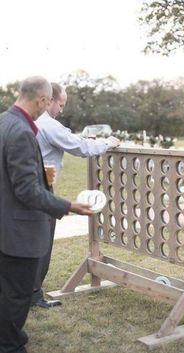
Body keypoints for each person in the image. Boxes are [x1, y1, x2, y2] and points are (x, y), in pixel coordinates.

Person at [0, 76, 93, 353]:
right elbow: (27, 189)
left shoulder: (4, 120)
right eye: (49, 102)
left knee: (6, 291)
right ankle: (9, 344)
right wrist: (68, 206)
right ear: (42, 100)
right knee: (16, 294)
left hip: (6, 224)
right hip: (17, 231)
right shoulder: (21, 132)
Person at [32, 82, 120, 308]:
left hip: (35, 186)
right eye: (60, 104)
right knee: (41, 244)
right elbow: (81, 148)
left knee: (31, 242)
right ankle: (33, 294)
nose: (61, 110)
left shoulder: (35, 122)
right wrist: (108, 142)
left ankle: (29, 292)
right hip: (40, 190)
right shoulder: (48, 125)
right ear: (49, 100)